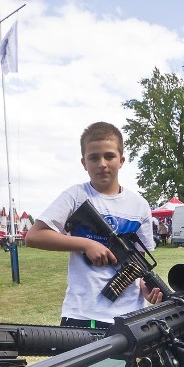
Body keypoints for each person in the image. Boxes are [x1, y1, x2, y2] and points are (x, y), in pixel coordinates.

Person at [25, 121, 162, 330]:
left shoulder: (140, 205)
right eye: (94, 157)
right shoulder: (76, 196)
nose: (102, 163)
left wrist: (146, 288)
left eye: (109, 156)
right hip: (83, 312)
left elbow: (139, 263)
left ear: (122, 160)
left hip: (130, 316)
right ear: (83, 162)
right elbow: (34, 236)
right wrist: (86, 244)